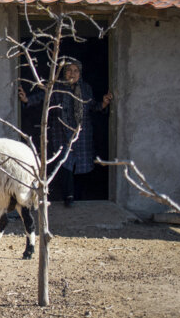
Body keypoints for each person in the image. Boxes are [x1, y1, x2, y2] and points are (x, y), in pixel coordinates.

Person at [19, 58, 113, 207]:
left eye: (75, 71)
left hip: (82, 133)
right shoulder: (56, 87)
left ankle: (79, 197)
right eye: (69, 70)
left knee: (82, 167)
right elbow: (42, 97)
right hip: (61, 132)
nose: (72, 73)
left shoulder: (86, 88)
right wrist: (26, 100)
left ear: (80, 73)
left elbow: (92, 106)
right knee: (65, 164)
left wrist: (104, 104)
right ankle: (68, 197)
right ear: (64, 72)